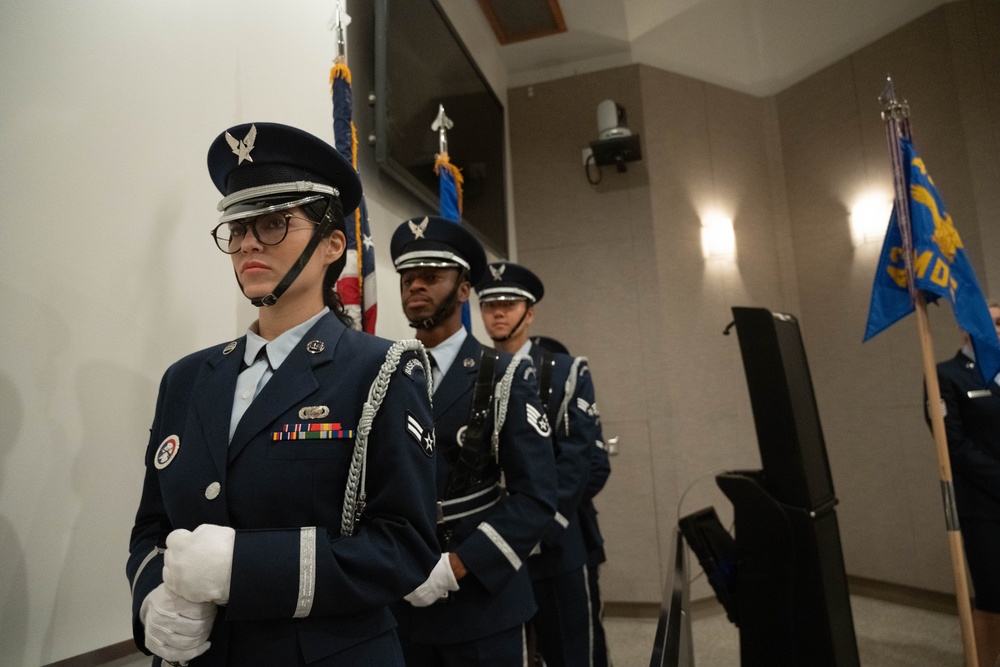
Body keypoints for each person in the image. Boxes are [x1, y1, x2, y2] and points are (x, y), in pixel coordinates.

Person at [126, 122, 439, 666]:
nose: (247, 241)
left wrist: (242, 567)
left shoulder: (382, 371)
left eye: (273, 224)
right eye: (239, 226)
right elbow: (153, 525)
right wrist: (152, 594)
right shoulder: (186, 377)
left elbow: (405, 545)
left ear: (332, 245)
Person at [389, 216, 557, 666]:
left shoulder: (502, 376)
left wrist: (459, 565)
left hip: (482, 600)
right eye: (408, 278)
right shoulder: (386, 375)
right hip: (401, 598)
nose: (415, 287)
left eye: (431, 277)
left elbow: (536, 496)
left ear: (464, 289)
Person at [477, 263, 605, 667]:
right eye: (489, 304)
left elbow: (578, 462)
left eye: (509, 304)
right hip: (492, 541)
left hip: (552, 541)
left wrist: (535, 528)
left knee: (570, 650)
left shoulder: (565, 372)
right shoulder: (477, 372)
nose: (498, 312)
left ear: (529, 312)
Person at [925, 300, 1000, 667]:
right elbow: (953, 445)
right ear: (967, 328)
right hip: (984, 508)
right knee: (994, 600)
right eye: (996, 323)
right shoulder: (945, 375)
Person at [532, 336, 612, 667]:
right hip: (522, 542)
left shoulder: (570, 402)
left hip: (571, 533)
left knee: (579, 637)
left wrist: (558, 505)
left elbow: (596, 467)